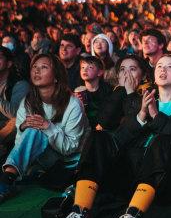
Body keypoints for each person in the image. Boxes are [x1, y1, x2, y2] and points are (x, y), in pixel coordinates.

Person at [55, 54, 171, 218]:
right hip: (131, 177)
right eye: (159, 65)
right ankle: (80, 215)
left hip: (166, 181)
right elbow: (119, 141)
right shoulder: (139, 100)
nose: (162, 69)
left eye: (170, 66)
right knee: (100, 137)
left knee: (163, 141)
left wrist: (157, 116)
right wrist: (142, 115)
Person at [0, 54, 89, 203]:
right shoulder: (27, 102)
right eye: (34, 67)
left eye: (43, 67)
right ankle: (7, 179)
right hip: (44, 156)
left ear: (56, 77)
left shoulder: (72, 103)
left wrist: (48, 126)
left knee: (37, 127)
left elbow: (71, 148)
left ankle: (12, 178)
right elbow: (20, 146)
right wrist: (22, 128)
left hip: (71, 161)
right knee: (33, 128)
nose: (36, 71)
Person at [96, 55, 151, 132]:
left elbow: (131, 126)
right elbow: (105, 122)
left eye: (132, 69)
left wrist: (130, 93)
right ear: (118, 75)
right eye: (122, 69)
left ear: (143, 75)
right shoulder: (112, 92)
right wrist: (121, 89)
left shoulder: (149, 94)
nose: (126, 73)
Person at [0, 47, 28, 160]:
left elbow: (15, 114)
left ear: (9, 63)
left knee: (17, 121)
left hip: (8, 127)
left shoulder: (20, 84)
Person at [75, 56, 113, 129]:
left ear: (99, 72)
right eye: (82, 67)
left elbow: (111, 112)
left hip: (104, 127)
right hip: (86, 128)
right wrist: (76, 103)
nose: (85, 70)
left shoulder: (107, 89)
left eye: (90, 67)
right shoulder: (79, 91)